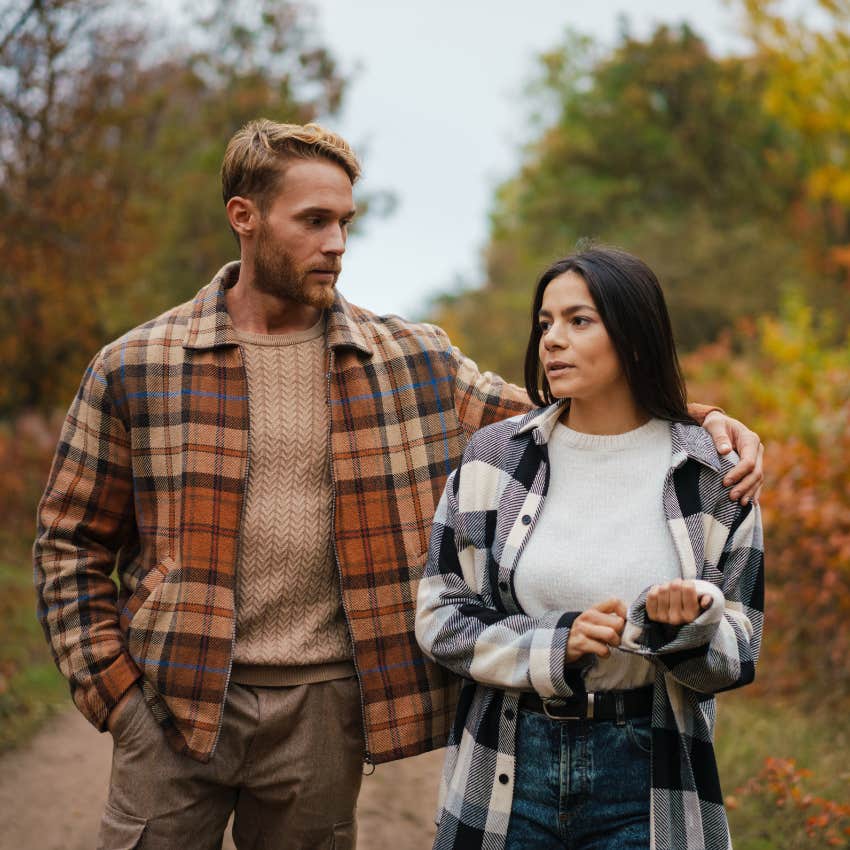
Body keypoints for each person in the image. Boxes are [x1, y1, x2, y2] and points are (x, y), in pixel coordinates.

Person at [34, 122, 762, 850]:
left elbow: (566, 417)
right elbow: (69, 541)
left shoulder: (412, 359)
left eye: (345, 222)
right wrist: (119, 695)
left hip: (323, 715)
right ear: (244, 218)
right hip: (172, 702)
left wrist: (700, 421)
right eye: (313, 221)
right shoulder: (138, 366)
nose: (337, 243)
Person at [415, 247, 764, 850]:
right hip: (506, 764)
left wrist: (686, 628)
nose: (552, 339)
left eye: (579, 321)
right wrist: (554, 644)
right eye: (545, 322)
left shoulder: (713, 473)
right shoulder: (495, 459)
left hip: (649, 772)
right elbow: (440, 617)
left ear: (632, 336)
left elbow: (743, 648)